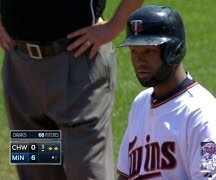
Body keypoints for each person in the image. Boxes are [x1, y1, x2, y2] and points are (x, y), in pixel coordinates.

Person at [0, 0, 143, 180]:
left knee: (86, 171)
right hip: (23, 72)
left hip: (79, 66)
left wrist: (114, 26)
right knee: (37, 171)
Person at [116, 5, 216, 180]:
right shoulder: (140, 103)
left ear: (173, 51)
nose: (139, 60)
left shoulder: (202, 116)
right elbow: (126, 175)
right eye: (134, 51)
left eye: (148, 51)